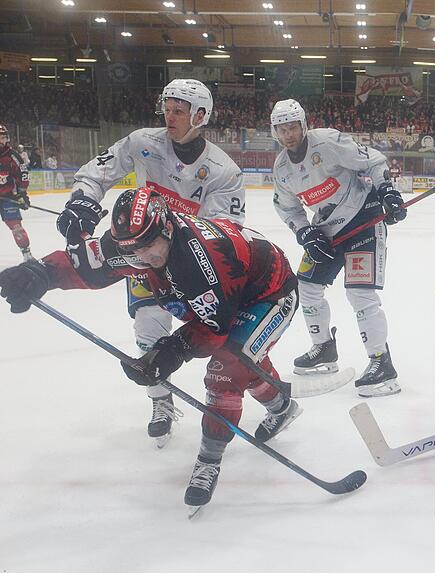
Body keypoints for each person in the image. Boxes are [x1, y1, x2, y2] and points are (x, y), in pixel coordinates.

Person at [0, 187, 300, 510]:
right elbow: (89, 265)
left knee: (226, 369)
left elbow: (214, 329)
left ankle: (210, 458)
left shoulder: (197, 262)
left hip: (270, 292)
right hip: (232, 292)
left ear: (167, 227)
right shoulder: (139, 241)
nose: (142, 257)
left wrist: (171, 350)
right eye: (132, 249)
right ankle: (282, 405)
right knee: (243, 363)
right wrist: (41, 274)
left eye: (148, 246)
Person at [59, 78, 246, 446]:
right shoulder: (143, 142)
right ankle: (161, 400)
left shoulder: (223, 171)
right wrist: (82, 199)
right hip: (142, 255)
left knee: (220, 337)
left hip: (191, 265)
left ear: (201, 115)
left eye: (179, 110)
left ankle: (268, 397)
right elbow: (99, 171)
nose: (169, 116)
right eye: (168, 108)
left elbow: (222, 230)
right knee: (147, 327)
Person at [269, 98, 406, 397]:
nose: (289, 134)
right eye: (283, 129)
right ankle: (324, 349)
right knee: (305, 286)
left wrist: (387, 191)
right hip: (327, 229)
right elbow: (287, 208)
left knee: (359, 292)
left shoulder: (328, 141)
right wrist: (305, 233)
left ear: (304, 125)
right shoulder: (281, 169)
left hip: (364, 218)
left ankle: (381, 361)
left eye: (293, 127)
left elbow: (373, 160)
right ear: (275, 132)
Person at [0, 124, 33, 261]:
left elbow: (23, 175)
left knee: (16, 228)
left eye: (3, 137)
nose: (2, 140)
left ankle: (27, 256)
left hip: (8, 197)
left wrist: (22, 195)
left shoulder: (13, 156)